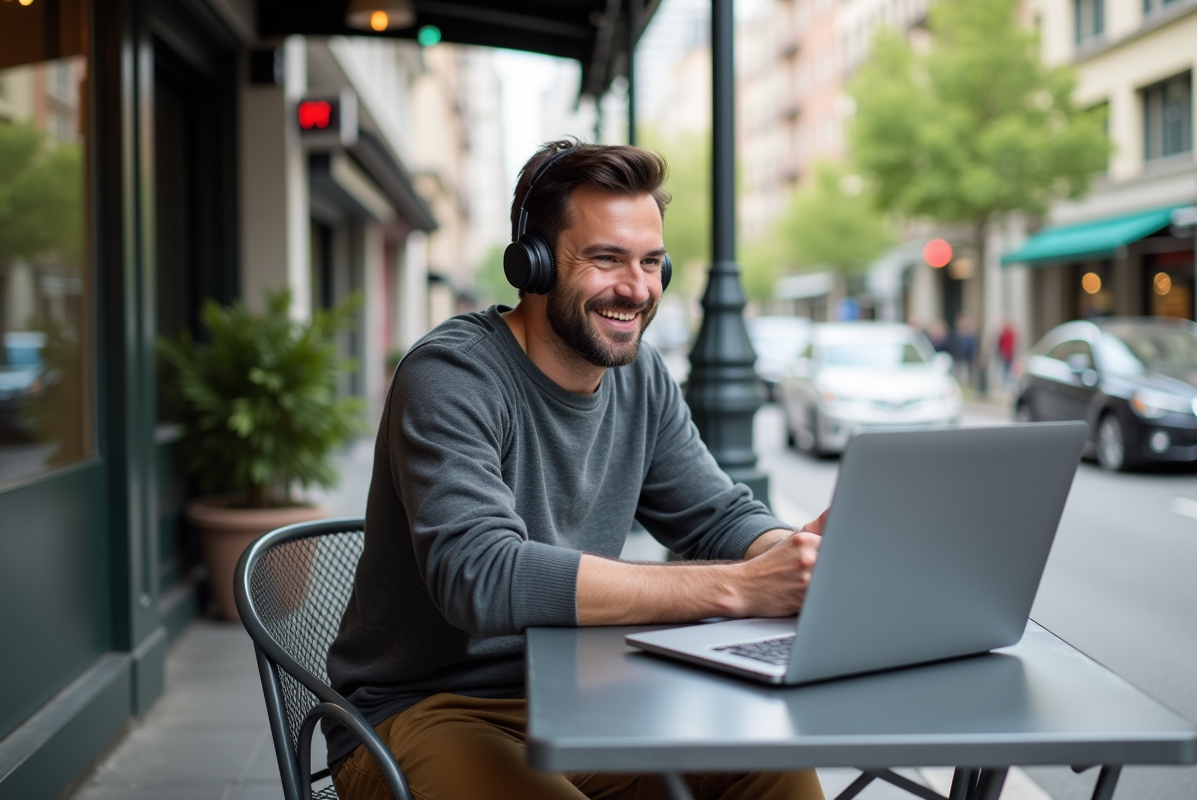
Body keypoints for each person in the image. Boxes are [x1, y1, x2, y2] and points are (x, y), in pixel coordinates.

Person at [325, 140, 827, 800]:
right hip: (427, 712)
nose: (638, 288)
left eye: (651, 262)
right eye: (606, 259)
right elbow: (480, 577)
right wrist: (740, 588)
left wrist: (792, 558)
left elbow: (717, 515)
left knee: (773, 765)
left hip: (585, 692)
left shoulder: (641, 375)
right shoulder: (451, 376)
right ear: (530, 264)